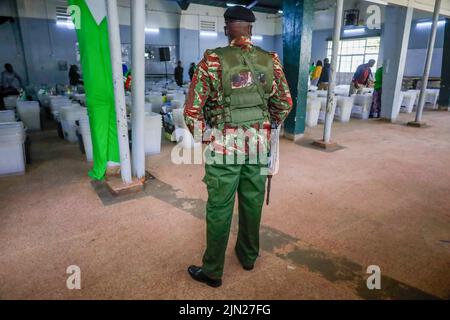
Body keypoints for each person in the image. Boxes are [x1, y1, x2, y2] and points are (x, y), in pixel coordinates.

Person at [184, 5, 292, 288]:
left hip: (224, 143)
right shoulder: (270, 61)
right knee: (252, 201)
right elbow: (284, 104)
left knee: (220, 206)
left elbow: (192, 112)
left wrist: (205, 138)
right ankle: (248, 256)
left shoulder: (212, 61)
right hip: (257, 142)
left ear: (225, 29)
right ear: (251, 30)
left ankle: (213, 271)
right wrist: (267, 127)